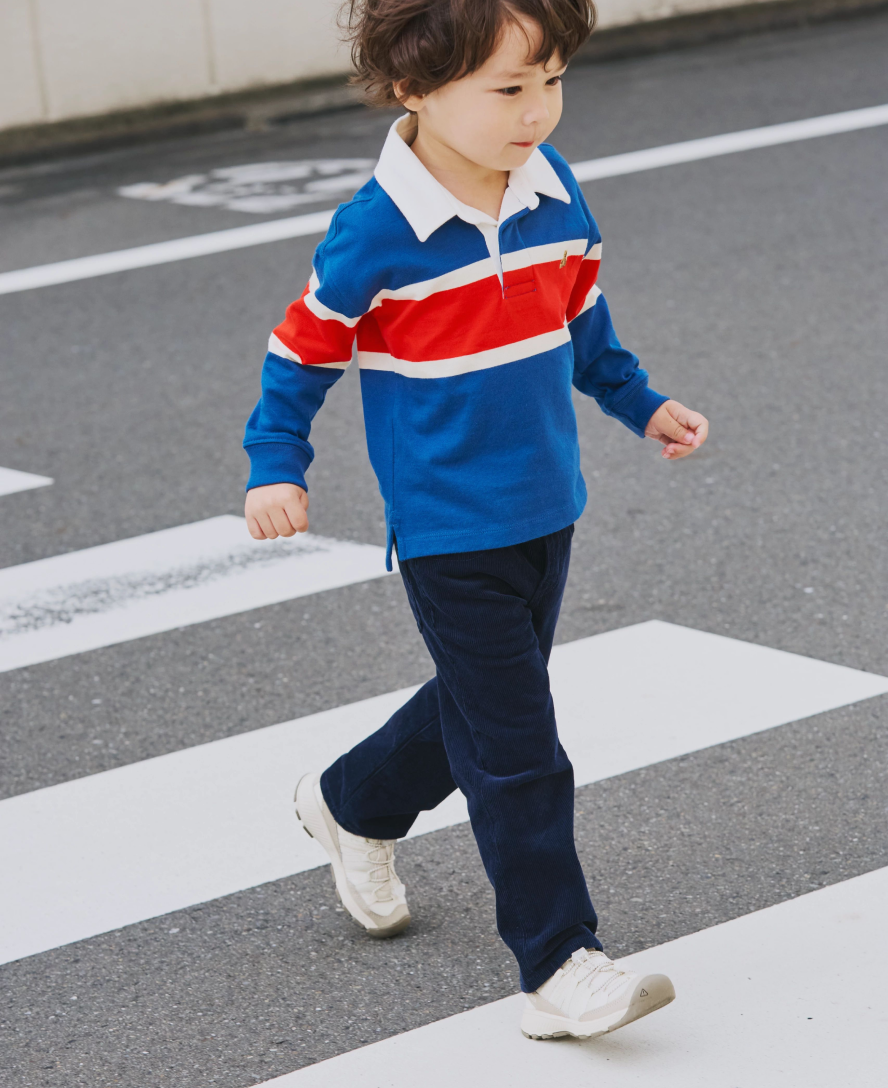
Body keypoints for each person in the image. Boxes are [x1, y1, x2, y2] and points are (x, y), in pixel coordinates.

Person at [243, 0, 708, 1041]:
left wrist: (640, 403)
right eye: (508, 89)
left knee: (488, 702)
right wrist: (276, 465)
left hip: (548, 504)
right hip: (448, 526)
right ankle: (559, 962)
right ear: (414, 88)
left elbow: (580, 317)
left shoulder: (552, 187)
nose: (537, 111)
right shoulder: (377, 231)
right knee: (520, 746)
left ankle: (353, 800)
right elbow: (301, 352)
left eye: (552, 81)